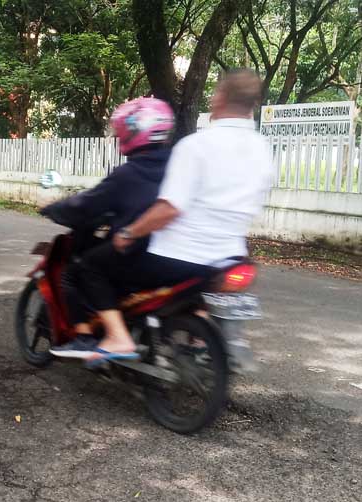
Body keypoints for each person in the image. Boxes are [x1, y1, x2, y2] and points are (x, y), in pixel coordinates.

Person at [78, 69, 273, 365]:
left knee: (93, 265)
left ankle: (118, 337)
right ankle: (198, 337)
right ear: (253, 104)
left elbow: (169, 208)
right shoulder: (263, 149)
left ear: (219, 98)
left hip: (177, 258)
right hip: (230, 258)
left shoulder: (196, 146)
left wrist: (128, 234)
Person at [43, 97, 175, 358]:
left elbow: (86, 204)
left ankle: (84, 336)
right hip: (176, 254)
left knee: (77, 269)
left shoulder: (130, 173)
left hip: (139, 252)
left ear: (132, 132)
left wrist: (55, 209)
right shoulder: (178, 165)